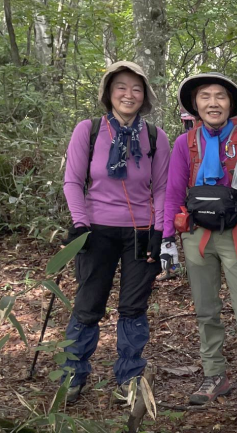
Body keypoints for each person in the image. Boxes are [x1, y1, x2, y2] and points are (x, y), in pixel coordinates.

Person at [162, 72, 237, 417]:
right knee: (206, 310)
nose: (213, 103)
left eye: (220, 97)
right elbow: (174, 191)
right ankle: (214, 376)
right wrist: (167, 236)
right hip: (197, 234)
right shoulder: (185, 144)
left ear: (231, 104)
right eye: (205, 97)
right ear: (195, 105)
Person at [60, 61, 170, 404]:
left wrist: (159, 230)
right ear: (109, 93)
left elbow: (163, 188)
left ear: (145, 97)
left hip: (140, 231)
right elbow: (73, 181)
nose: (129, 94)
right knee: (89, 303)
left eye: (136, 89)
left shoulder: (155, 136)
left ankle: (130, 377)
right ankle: (73, 375)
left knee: (133, 307)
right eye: (121, 87)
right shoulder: (88, 130)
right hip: (96, 229)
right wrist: (80, 224)